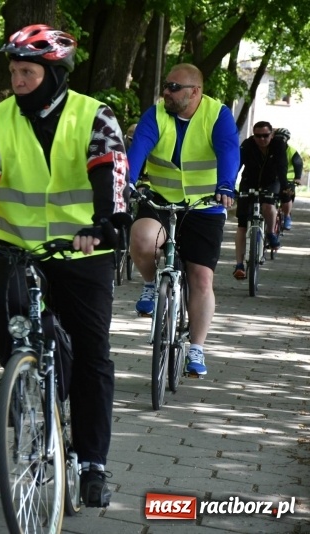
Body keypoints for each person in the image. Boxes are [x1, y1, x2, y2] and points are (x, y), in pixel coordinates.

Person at [0, 24, 128, 508]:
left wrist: (108, 223)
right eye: (13, 72)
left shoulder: (95, 116)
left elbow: (110, 173)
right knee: (1, 323)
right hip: (17, 249)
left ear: (53, 74)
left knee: (93, 354)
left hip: (83, 251)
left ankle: (92, 463)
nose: (18, 81)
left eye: (27, 71)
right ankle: (31, 387)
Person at [126, 63, 238, 376]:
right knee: (142, 238)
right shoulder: (157, 113)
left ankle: (197, 348)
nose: (166, 92)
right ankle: (150, 284)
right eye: (166, 85)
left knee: (202, 278)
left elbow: (229, 150)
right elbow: (139, 148)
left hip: (205, 206)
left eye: (174, 87)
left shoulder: (217, 115)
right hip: (160, 199)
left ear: (195, 92)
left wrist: (226, 184)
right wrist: (128, 182)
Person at [232, 122, 289, 279]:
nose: (261, 139)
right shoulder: (248, 145)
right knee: (242, 225)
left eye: (265, 135)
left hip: (272, 181)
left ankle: (270, 233)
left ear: (271, 135)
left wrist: (285, 191)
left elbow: (282, 167)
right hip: (249, 181)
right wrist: (229, 185)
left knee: (268, 205)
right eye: (258, 136)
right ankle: (239, 265)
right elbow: (236, 166)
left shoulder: (278, 145)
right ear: (253, 135)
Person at [273, 128, 302, 231]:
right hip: (274, 178)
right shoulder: (270, 148)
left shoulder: (291, 151)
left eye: (282, 138)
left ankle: (287, 215)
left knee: (287, 195)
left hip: (288, 179)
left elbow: (298, 164)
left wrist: (297, 178)